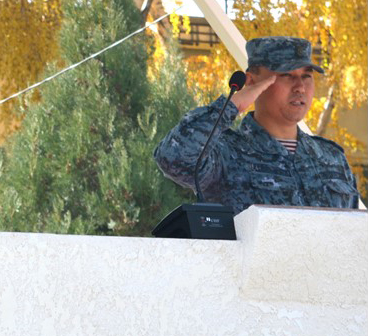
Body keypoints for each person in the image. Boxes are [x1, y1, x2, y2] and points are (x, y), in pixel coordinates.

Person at [154, 36, 362, 215]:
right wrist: (231, 106)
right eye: (286, 75)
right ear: (252, 82)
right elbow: (173, 157)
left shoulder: (332, 158)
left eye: (306, 76)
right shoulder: (226, 152)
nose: (300, 87)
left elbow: (352, 233)